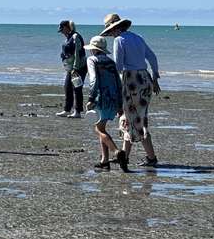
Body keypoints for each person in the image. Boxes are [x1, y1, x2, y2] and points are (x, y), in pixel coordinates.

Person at [100, 14, 161, 168]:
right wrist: (155, 77)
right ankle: (125, 156)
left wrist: (113, 84)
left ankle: (150, 158)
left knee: (131, 119)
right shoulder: (138, 38)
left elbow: (118, 66)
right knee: (137, 118)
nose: (111, 34)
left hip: (131, 81)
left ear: (114, 29)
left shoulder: (119, 40)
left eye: (110, 31)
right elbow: (152, 57)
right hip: (145, 79)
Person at [83, 35, 122, 171]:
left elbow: (93, 80)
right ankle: (104, 161)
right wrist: (120, 103)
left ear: (94, 49)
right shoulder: (111, 62)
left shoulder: (92, 60)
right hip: (113, 97)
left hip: (101, 97)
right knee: (102, 127)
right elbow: (118, 82)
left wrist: (91, 98)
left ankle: (116, 151)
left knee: (98, 129)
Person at [55, 19, 86, 118]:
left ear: (66, 28)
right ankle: (67, 110)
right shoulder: (68, 37)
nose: (62, 33)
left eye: (62, 30)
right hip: (71, 68)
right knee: (67, 87)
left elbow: (77, 53)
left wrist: (75, 68)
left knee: (77, 88)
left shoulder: (75, 36)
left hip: (79, 67)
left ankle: (77, 112)